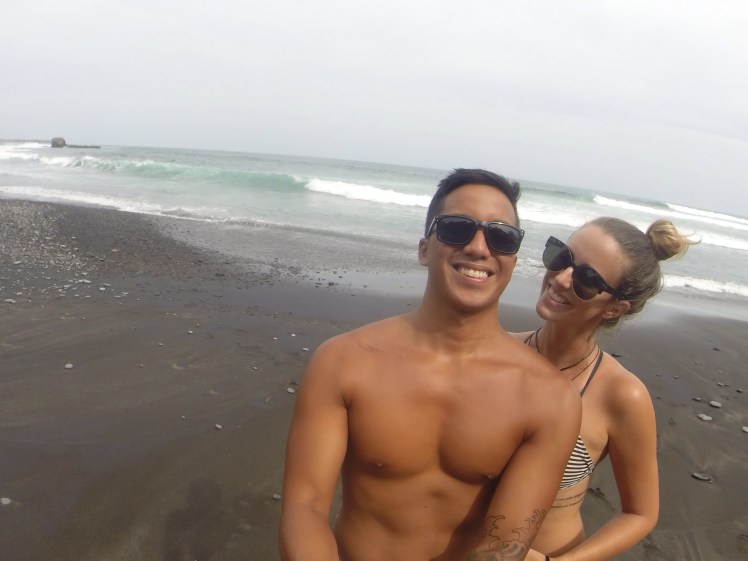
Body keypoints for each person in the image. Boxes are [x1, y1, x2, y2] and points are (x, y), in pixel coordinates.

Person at [279, 169, 582, 561]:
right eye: (457, 228)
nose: (479, 248)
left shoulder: (549, 397)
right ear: (424, 249)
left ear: (512, 260)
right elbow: (304, 506)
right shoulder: (344, 362)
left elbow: (505, 542)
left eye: (501, 236)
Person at [512, 217, 695, 561]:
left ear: (615, 308)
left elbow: (640, 514)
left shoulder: (622, 395)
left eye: (587, 279)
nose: (561, 278)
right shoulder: (493, 352)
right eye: (561, 257)